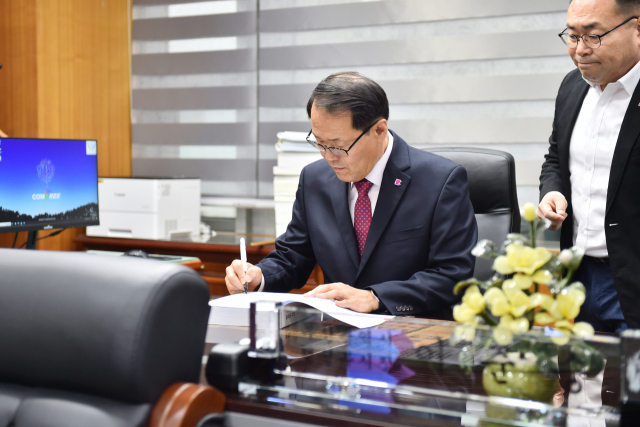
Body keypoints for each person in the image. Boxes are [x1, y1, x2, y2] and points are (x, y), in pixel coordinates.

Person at [225, 72, 477, 318]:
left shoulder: (440, 180)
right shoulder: (314, 179)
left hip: (415, 336)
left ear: (379, 130)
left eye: (338, 145)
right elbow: (293, 256)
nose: (328, 157)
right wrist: (258, 276)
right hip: (337, 336)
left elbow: (452, 274)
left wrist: (375, 297)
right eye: (320, 143)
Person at [539, 0, 640, 332]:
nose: (580, 50)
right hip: (576, 276)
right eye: (572, 35)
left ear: (637, 28)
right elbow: (555, 157)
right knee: (577, 382)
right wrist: (553, 191)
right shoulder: (572, 87)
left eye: (594, 36)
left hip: (631, 281)